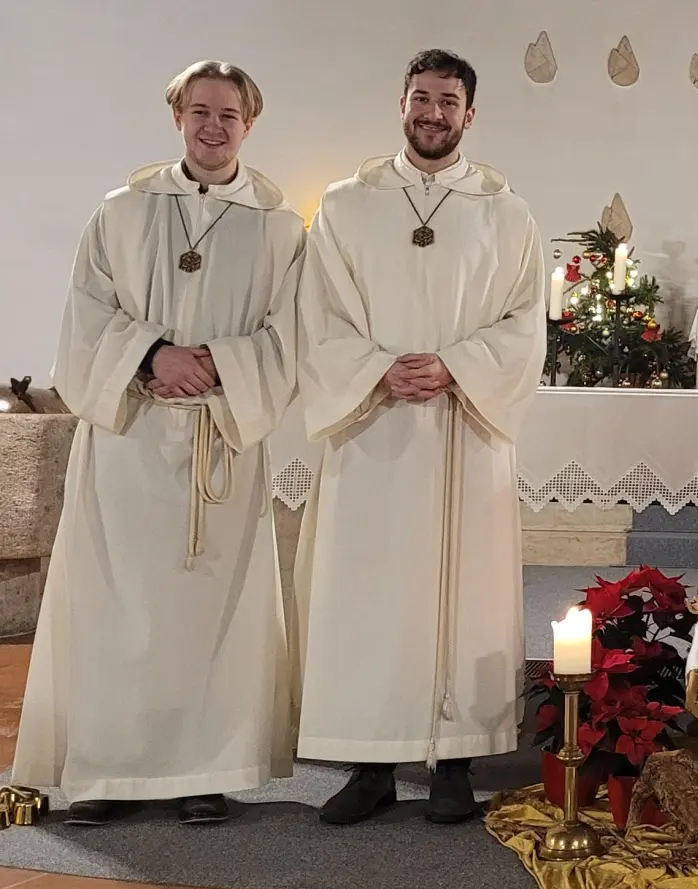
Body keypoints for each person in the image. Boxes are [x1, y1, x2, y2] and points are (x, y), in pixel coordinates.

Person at [12, 60, 303, 825]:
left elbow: (296, 333)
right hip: (130, 440)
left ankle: (204, 768)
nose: (213, 126)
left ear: (250, 122)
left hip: (222, 443)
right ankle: (107, 772)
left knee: (208, 612)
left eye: (229, 115)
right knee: (120, 606)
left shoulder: (279, 228)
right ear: (177, 117)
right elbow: (82, 317)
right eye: (199, 111)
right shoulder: (121, 212)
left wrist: (218, 363)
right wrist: (150, 356)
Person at [294, 49, 547, 825]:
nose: (433, 112)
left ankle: (456, 761)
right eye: (421, 98)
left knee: (467, 592)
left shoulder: (508, 212)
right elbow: (319, 315)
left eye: (448, 101)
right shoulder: (345, 205)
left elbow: (525, 321)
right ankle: (368, 764)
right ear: (399, 104)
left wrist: (457, 367)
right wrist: (376, 372)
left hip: (466, 428)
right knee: (368, 591)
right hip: (374, 427)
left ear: (471, 115)